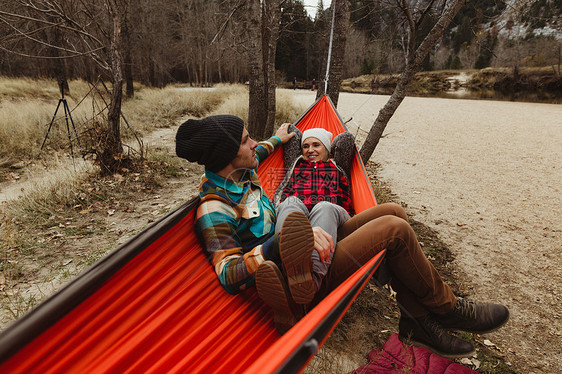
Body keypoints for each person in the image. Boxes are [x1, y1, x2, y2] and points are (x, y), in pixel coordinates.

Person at [175, 115, 510, 359]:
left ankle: (416, 318)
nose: (254, 144)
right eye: (246, 140)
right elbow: (229, 274)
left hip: (309, 244)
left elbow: (263, 150)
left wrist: (280, 138)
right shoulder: (214, 207)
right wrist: (282, 244)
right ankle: (447, 309)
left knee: (392, 211)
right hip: (292, 279)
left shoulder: (241, 171)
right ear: (226, 155)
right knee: (395, 231)